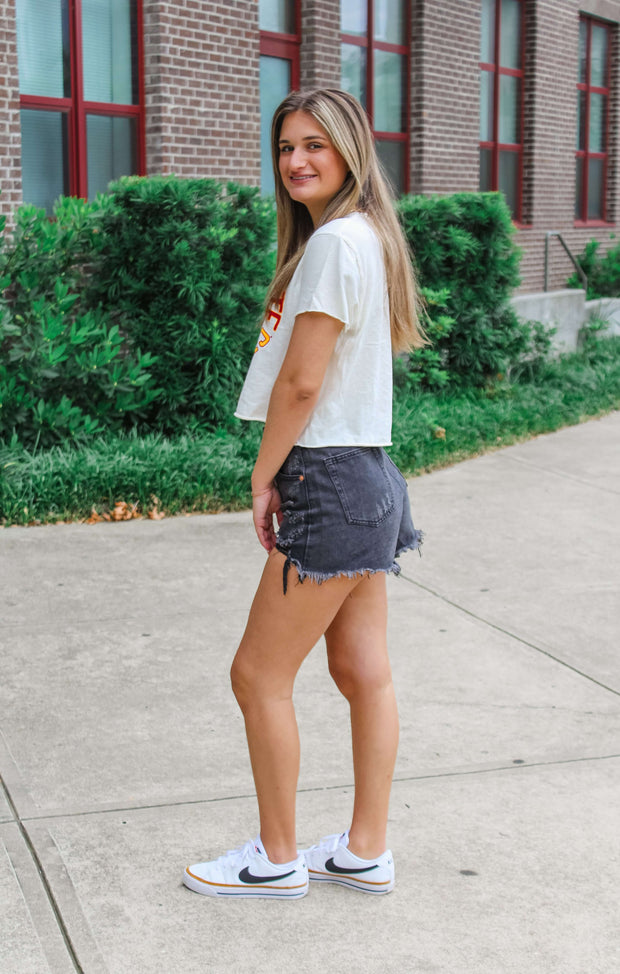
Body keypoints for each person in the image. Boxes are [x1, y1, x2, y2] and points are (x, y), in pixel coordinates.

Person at [183, 88, 425, 899]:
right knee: (365, 672)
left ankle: (276, 857)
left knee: (257, 676)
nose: (297, 161)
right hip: (371, 475)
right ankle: (365, 849)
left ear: (351, 150)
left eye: (316, 144)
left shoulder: (332, 246)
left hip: (327, 475)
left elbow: (302, 381)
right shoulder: (365, 239)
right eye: (286, 146)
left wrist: (263, 476)